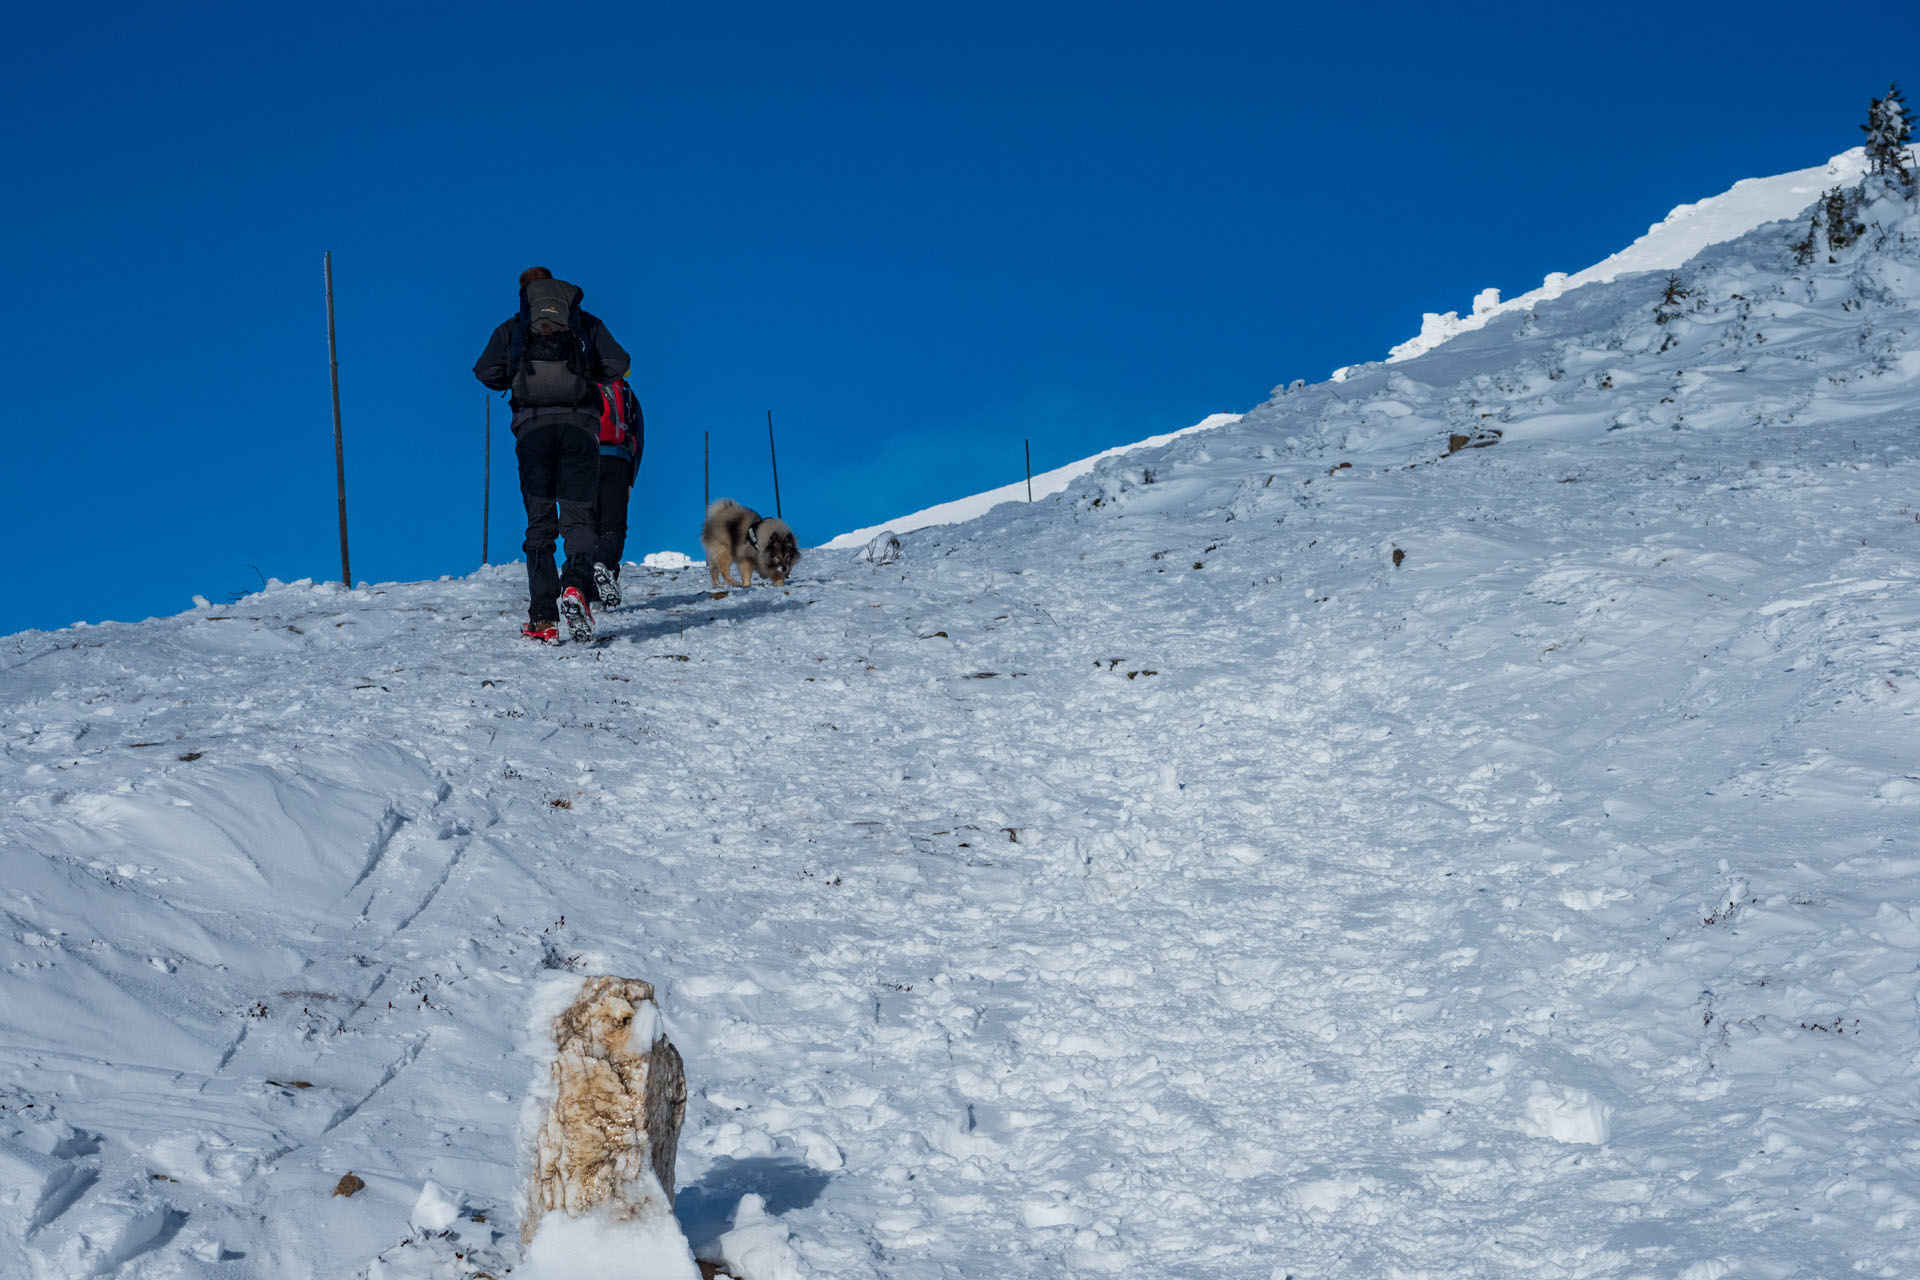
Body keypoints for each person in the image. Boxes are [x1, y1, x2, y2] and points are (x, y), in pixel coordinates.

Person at [473, 267, 629, 642]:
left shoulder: (513, 327)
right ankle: (575, 586)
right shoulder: (584, 323)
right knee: (578, 518)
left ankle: (543, 618)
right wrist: (586, 376)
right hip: (579, 429)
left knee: (539, 523)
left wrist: (518, 375)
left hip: (532, 432)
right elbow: (618, 363)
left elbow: (485, 371)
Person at [586, 376, 643, 609]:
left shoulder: (580, 383)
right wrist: (630, 479)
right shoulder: (624, 391)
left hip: (582, 461)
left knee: (584, 527)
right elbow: (638, 437)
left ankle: (587, 592)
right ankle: (605, 566)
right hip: (617, 461)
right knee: (613, 527)